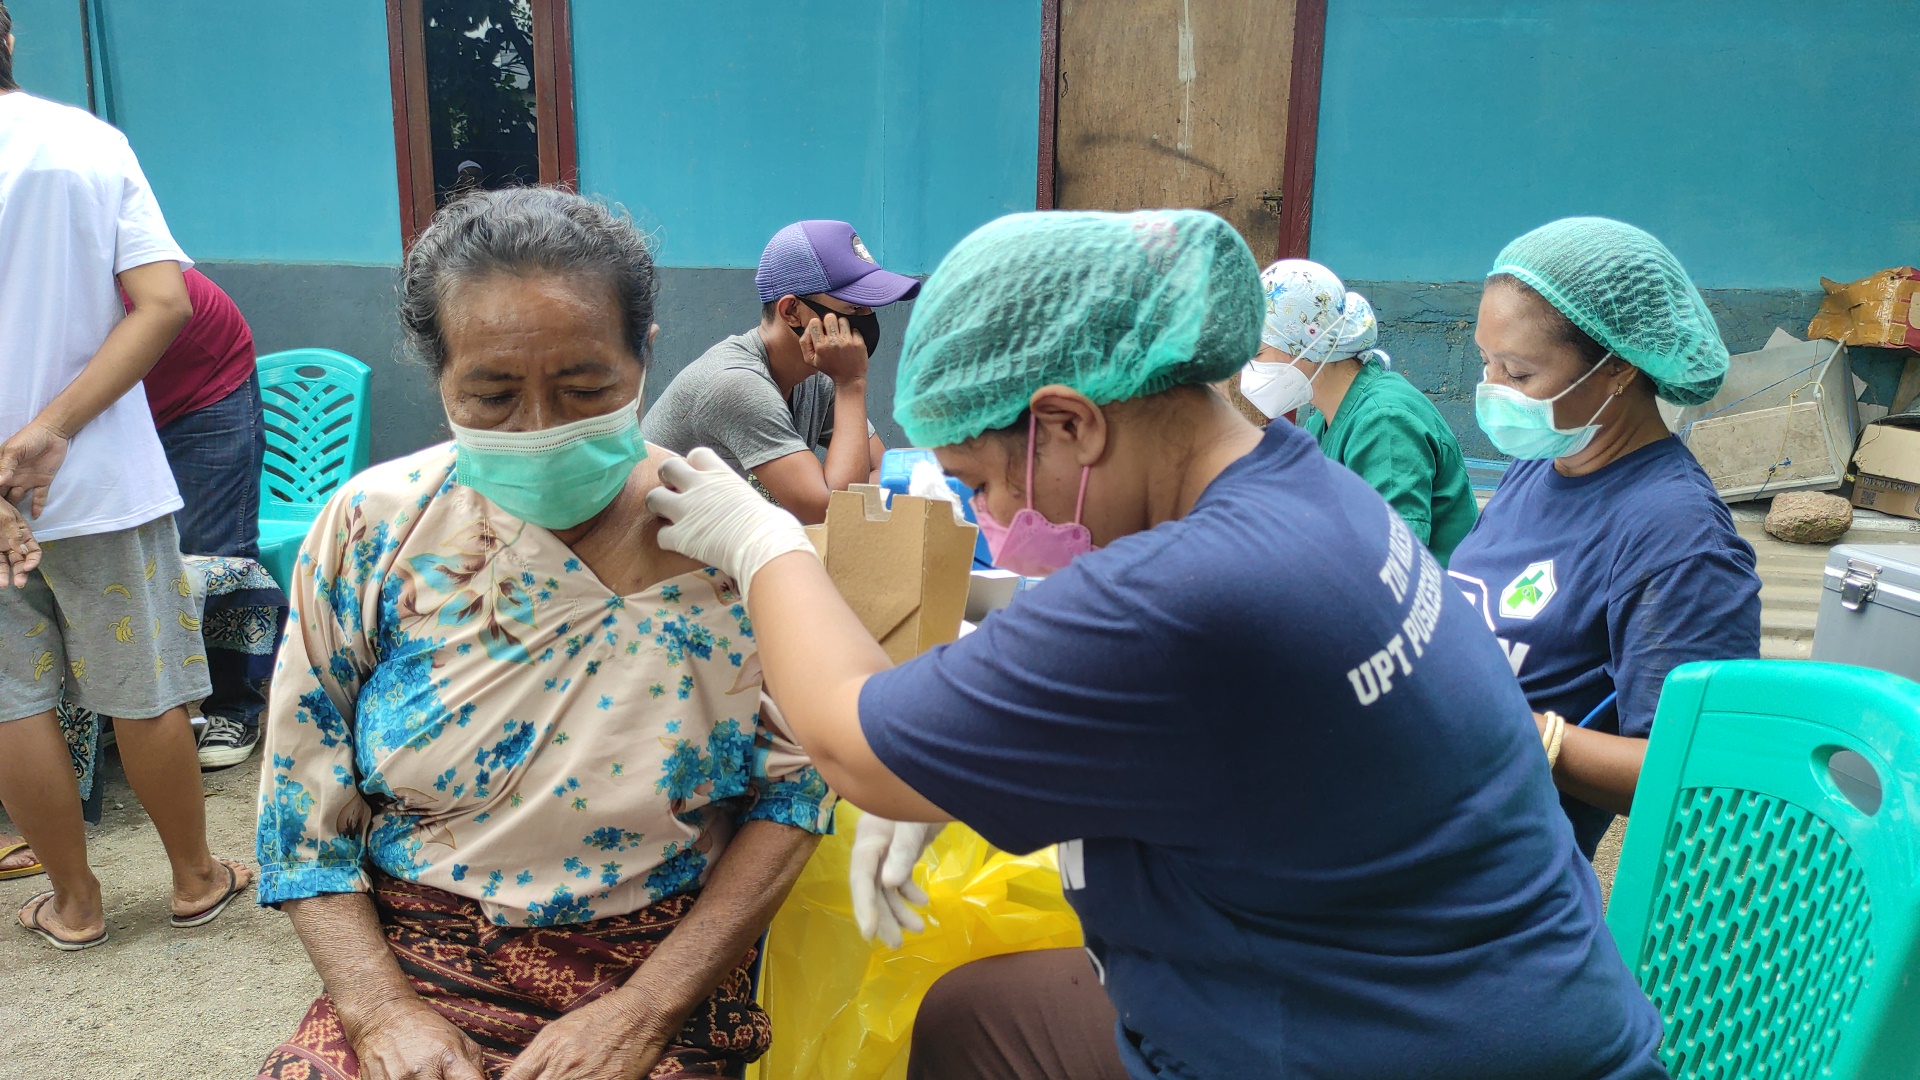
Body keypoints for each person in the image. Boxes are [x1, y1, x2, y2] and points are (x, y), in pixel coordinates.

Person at [647, 209, 1669, 1079]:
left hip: (1385, 1040)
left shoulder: (1183, 589)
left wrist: (762, 540)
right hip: (1472, 990)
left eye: (986, 479)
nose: (990, 510)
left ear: (1071, 425)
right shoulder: (1310, 491)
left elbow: (845, 743)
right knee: (974, 1022)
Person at [253, 187, 834, 1080]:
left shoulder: (736, 551)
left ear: (644, 354)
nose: (541, 430)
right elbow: (304, 811)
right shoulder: (374, 531)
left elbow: (794, 797)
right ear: (437, 374)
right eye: (490, 393)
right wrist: (380, 1014)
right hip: (418, 957)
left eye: (584, 387)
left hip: (657, 965)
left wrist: (644, 1014)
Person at [0, 6, 253, 949]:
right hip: (96, 473)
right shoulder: (84, 143)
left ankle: (75, 902)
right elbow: (164, 304)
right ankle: (194, 877)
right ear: (10, 37)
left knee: (12, 698)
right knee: (144, 682)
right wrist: (51, 431)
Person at [1447, 217, 1761, 858]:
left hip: (1490, 861)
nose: (1493, 392)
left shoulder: (1675, 536)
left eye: (1518, 373)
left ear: (1618, 369)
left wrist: (1529, 735)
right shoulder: (1539, 465)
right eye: (1486, 361)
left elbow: (1698, 776)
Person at [642, 219, 919, 524]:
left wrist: (844, 383)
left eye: (869, 308)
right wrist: (851, 384)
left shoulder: (816, 379)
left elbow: (886, 473)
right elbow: (832, 511)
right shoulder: (736, 383)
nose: (867, 319)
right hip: (658, 564)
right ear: (791, 311)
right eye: (853, 308)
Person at [1239, 259, 1479, 565]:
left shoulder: (1385, 422)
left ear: (1308, 346)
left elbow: (1393, 561)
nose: (1248, 367)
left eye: (1258, 352)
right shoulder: (1322, 422)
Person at [129, 267, 270, 769]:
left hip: (202, 389)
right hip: (110, 404)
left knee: (213, 555)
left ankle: (233, 705)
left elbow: (167, 307)